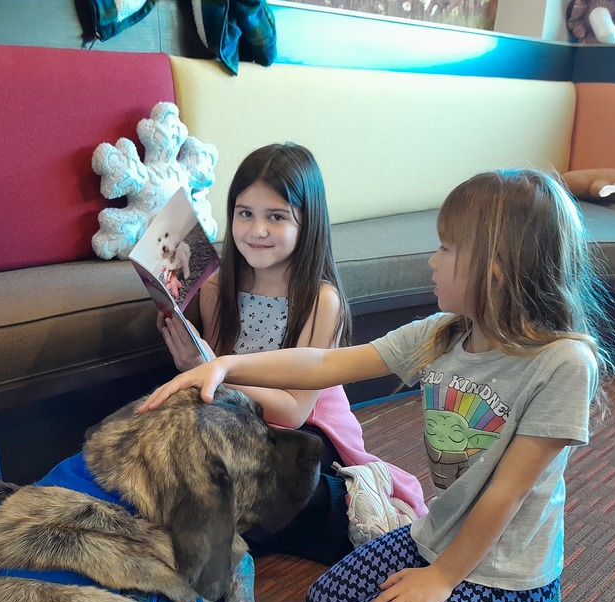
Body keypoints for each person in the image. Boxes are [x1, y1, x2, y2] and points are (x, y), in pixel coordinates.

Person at [142, 169, 615, 602]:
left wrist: (439, 579)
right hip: (437, 530)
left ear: (495, 268)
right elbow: (326, 365)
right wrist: (226, 366)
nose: (432, 261)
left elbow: (505, 495)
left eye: (446, 248)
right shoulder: (446, 333)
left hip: (504, 572)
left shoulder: (564, 364)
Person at [157, 143, 428, 565]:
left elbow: (293, 411)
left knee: (268, 482)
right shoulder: (216, 287)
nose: (257, 230)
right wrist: (195, 364)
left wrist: (211, 369)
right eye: (245, 213)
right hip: (241, 419)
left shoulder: (320, 300)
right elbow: (222, 387)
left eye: (276, 217)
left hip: (306, 436)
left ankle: (346, 507)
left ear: (308, 223)